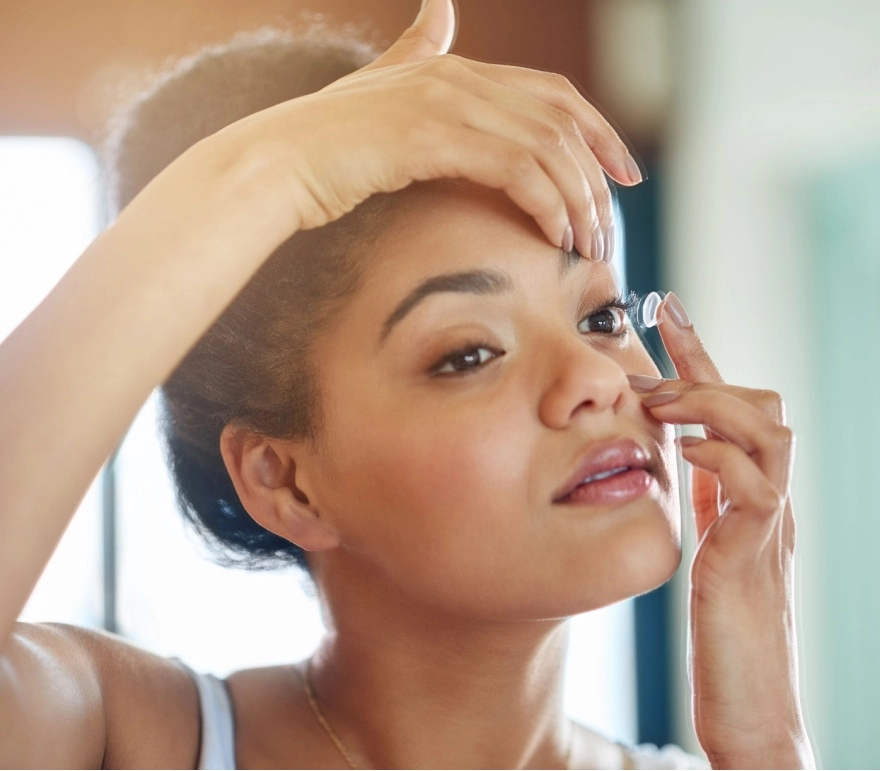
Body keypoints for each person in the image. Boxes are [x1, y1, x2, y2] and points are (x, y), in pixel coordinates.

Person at [0, 1, 815, 768]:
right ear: (286, 481)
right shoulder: (132, 740)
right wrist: (277, 169)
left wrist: (771, 744)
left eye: (601, 315)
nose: (596, 377)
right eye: (468, 353)